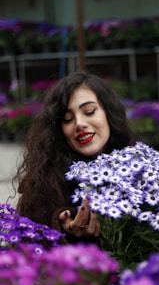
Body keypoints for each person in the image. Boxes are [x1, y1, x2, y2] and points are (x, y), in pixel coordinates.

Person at [15, 71, 134, 244]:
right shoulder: (43, 182)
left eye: (89, 111)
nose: (79, 124)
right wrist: (62, 227)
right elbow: (28, 248)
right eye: (67, 119)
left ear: (109, 114)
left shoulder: (139, 170)